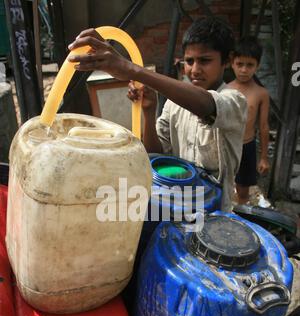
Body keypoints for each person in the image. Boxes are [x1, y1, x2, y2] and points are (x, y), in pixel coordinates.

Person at [68, 18, 248, 211]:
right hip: (178, 206)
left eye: (205, 61)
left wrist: (132, 69)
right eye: (189, 61)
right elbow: (156, 154)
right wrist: (149, 111)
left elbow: (206, 104)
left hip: (215, 212)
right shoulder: (173, 104)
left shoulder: (235, 101)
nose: (195, 70)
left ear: (227, 61)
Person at [227, 36, 270, 205]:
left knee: (243, 191)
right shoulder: (225, 89)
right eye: (240, 64)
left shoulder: (261, 93)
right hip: (227, 145)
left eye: (249, 65)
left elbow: (264, 126)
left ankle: (241, 218)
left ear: (257, 66)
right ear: (232, 63)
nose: (244, 70)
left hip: (247, 146)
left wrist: (264, 157)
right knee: (220, 185)